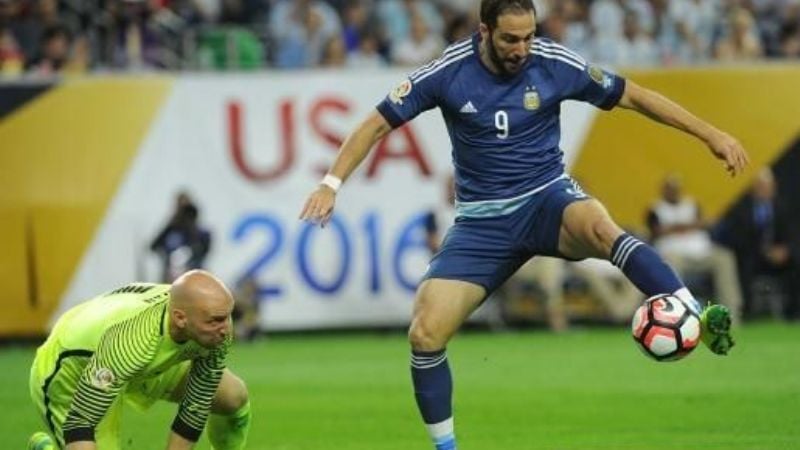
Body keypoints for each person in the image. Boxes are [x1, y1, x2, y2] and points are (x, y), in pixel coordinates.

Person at [299, 1, 748, 448]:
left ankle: (694, 313)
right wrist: (330, 184)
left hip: (547, 199)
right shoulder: (448, 72)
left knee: (601, 228)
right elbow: (375, 124)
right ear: (484, 32)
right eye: (510, 39)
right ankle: (446, 447)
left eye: (529, 37)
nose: (522, 49)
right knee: (425, 333)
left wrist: (711, 134)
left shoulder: (553, 62)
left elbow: (633, 96)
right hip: (482, 224)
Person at [28, 270, 251, 450]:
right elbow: (80, 421)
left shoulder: (213, 322)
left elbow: (196, 404)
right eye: (215, 321)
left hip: (138, 361)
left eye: (227, 317)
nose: (225, 329)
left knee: (232, 396)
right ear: (180, 318)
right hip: (71, 370)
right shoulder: (133, 341)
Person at [647, 174, 744, 324]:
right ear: (663, 190)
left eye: (675, 189)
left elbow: (705, 223)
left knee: (724, 257)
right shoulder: (655, 209)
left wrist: (677, 227)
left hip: (701, 252)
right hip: (675, 254)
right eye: (669, 189)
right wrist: (686, 226)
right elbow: (655, 232)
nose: (673, 192)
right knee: (670, 263)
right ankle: (676, 315)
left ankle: (732, 313)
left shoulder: (691, 204)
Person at [151, 192, 212, 283]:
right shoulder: (171, 230)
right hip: (170, 278)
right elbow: (153, 246)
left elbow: (204, 251)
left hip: (193, 278)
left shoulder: (202, 234)